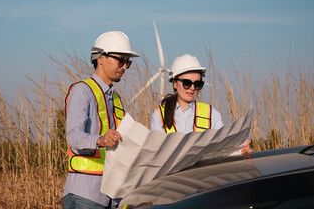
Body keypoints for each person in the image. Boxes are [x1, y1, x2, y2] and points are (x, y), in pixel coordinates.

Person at [62, 31, 139, 209]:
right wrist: (101, 139)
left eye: (128, 62)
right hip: (86, 195)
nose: (125, 67)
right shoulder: (82, 90)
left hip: (114, 196)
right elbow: (74, 137)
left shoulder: (116, 98)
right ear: (101, 58)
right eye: (121, 60)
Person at [150, 54, 252, 158]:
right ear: (175, 83)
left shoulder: (211, 114)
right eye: (187, 83)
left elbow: (222, 150)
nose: (192, 88)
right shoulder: (159, 115)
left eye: (197, 84)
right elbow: (156, 153)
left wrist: (241, 151)